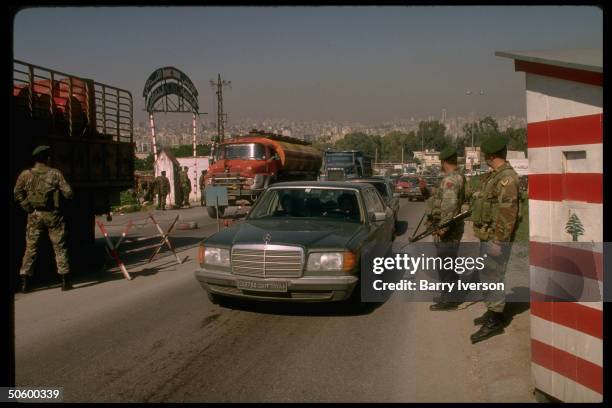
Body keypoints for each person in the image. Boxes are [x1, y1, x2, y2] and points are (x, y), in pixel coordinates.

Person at [469, 134, 519, 344]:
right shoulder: (494, 175)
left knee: (494, 276)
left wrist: (499, 241)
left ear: (491, 155)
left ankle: (496, 319)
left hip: (495, 238)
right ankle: (492, 311)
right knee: (487, 275)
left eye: (485, 155)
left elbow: (508, 212)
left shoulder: (507, 178)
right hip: (487, 235)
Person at [14, 145, 74, 292]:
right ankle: (65, 281)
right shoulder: (55, 174)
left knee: (31, 248)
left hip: (34, 216)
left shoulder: (25, 174)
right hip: (53, 216)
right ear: (47, 158)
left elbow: (17, 193)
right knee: (59, 247)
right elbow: (69, 193)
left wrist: (27, 207)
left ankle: (24, 282)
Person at [426, 146, 466, 311]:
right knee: (448, 264)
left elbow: (449, 208)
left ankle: (449, 300)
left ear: (443, 162)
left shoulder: (450, 180)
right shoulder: (459, 176)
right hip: (452, 229)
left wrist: (441, 229)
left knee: (446, 266)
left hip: (448, 231)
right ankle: (448, 295)